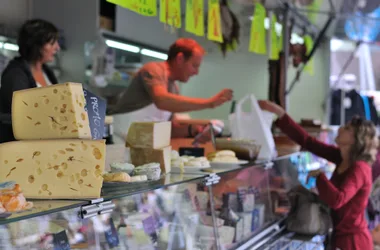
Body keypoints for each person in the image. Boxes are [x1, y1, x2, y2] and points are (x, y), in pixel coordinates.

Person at [259, 100, 378, 250]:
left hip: (353, 243)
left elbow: (338, 199)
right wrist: (280, 113)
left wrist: (320, 176)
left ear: (356, 139)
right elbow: (308, 142)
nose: (341, 128)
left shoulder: (360, 168)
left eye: (347, 128)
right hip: (340, 237)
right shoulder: (342, 157)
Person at [110, 38, 233, 143]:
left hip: (141, 145)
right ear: (180, 59)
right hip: (119, 141)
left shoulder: (174, 88)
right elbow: (162, 100)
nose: (196, 72)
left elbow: (169, 128)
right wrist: (209, 103)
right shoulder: (154, 69)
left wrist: (193, 130)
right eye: (194, 66)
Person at [0, 19, 60, 143]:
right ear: (36, 45)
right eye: (52, 43)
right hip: (23, 147)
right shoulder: (15, 73)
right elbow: (21, 115)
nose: (57, 48)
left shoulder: (47, 72)